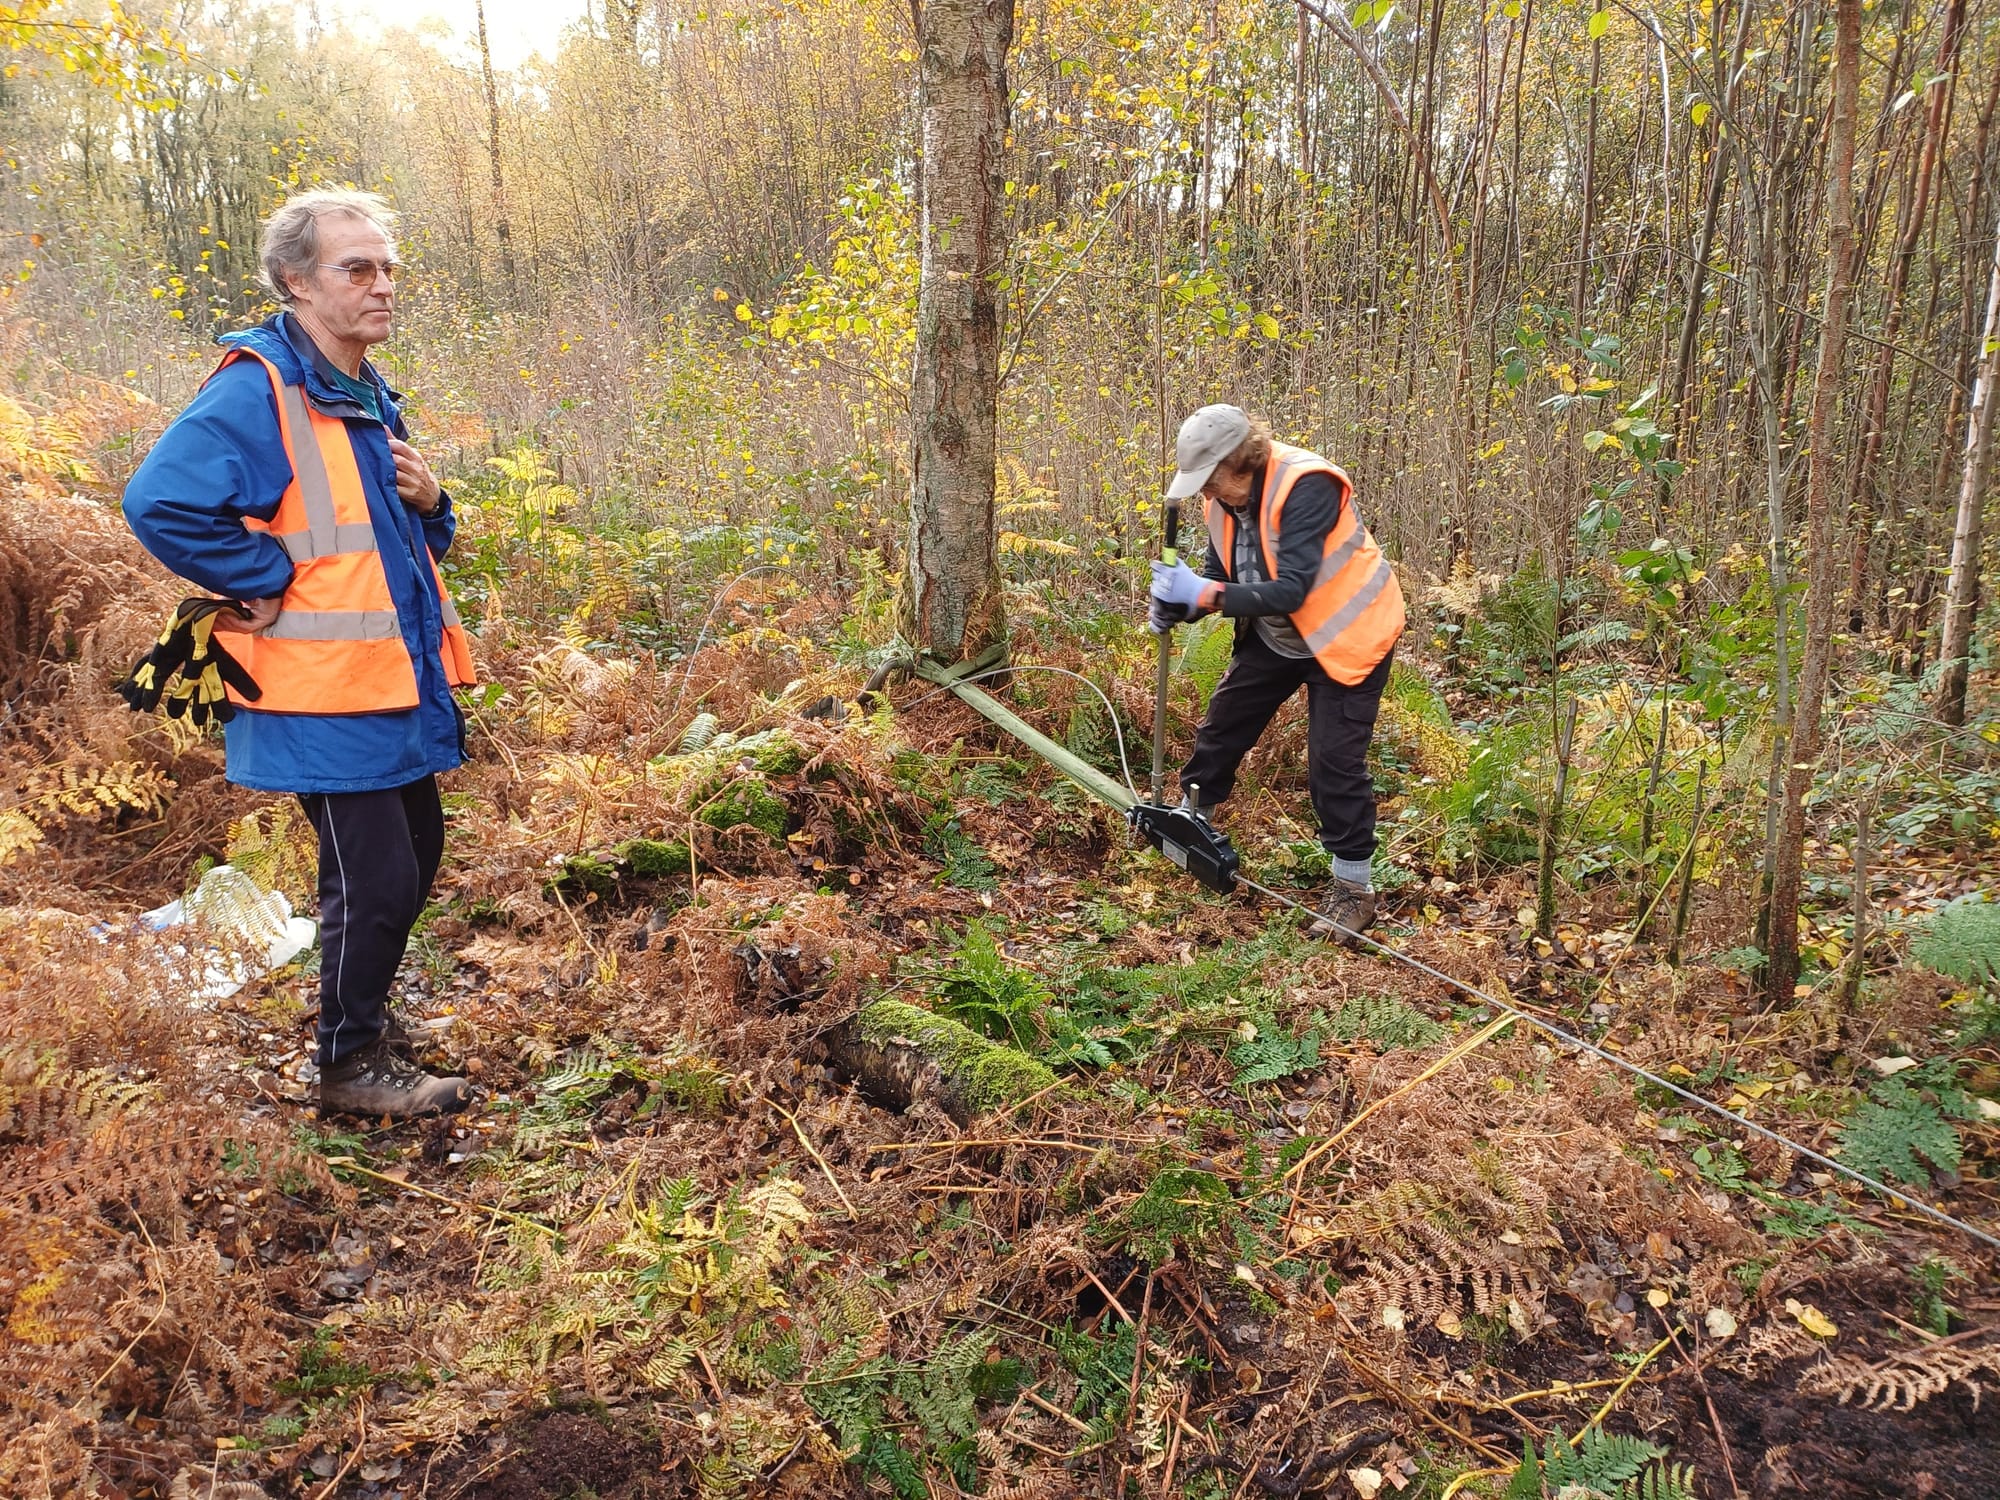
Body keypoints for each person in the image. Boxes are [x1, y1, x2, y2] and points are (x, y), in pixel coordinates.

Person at [123, 190, 478, 1117]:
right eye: (357, 268)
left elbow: (388, 550)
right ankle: (349, 1066)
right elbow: (156, 502)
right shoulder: (259, 386)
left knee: (415, 854)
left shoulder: (358, 389)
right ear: (295, 280)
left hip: (384, 680)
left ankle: (359, 1024)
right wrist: (259, 568)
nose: (383, 285)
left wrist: (435, 503)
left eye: (389, 267)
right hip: (318, 688)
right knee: (378, 878)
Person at [1148, 405, 1405, 943]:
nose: (1208, 494)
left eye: (1213, 481)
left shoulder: (1306, 485)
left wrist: (1205, 593)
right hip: (1277, 636)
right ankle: (1192, 824)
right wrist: (1185, 602)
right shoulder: (1220, 503)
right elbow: (1225, 576)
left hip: (1347, 635)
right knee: (1222, 727)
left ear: (1239, 461)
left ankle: (1353, 891)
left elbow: (1293, 588)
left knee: (1333, 762)